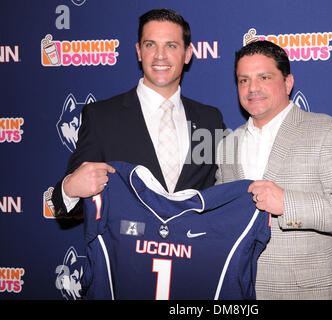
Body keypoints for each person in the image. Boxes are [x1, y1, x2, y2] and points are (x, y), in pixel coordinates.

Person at [215, 40, 332, 299]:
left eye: (264, 77)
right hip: (241, 291)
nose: (252, 88)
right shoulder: (226, 145)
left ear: (288, 83)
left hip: (307, 292)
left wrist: (287, 203)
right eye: (243, 80)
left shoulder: (328, 132)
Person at [52, 8, 225, 217]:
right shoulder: (101, 117)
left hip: (194, 248)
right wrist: (69, 190)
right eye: (150, 45)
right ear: (139, 51)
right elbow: (74, 196)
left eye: (171, 45)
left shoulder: (210, 119)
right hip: (125, 248)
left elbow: (220, 191)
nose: (160, 55)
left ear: (187, 54)